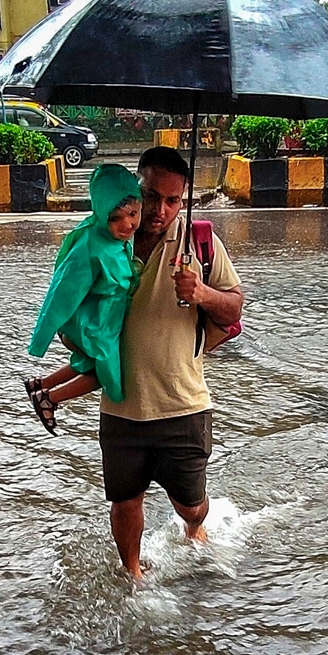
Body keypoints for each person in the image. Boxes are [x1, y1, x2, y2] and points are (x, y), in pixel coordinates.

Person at [100, 146, 244, 581]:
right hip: (121, 405)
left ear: (183, 200)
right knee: (125, 500)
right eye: (150, 195)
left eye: (172, 200)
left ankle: (196, 525)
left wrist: (200, 293)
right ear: (134, 188)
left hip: (183, 404)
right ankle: (132, 573)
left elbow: (234, 308)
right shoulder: (106, 240)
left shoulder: (199, 242)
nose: (159, 210)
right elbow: (74, 308)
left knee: (189, 504)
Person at [25, 163, 143, 435]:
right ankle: (49, 399)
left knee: (90, 362)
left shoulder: (121, 239)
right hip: (94, 323)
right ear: (103, 216)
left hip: (109, 322)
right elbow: (62, 289)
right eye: (116, 218)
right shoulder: (89, 245)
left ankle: (40, 384)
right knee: (106, 373)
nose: (128, 224)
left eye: (133, 214)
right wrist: (42, 337)